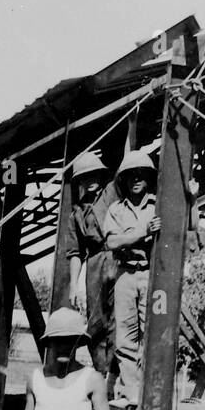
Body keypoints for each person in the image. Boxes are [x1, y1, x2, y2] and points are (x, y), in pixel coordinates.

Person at [103, 151, 159, 407]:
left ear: (148, 178)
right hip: (125, 274)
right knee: (125, 337)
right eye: (130, 176)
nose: (136, 180)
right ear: (124, 181)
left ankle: (149, 391)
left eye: (141, 175)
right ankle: (129, 393)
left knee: (152, 333)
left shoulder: (159, 205)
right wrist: (141, 234)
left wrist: (192, 200)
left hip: (150, 275)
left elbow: (188, 227)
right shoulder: (116, 210)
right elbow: (112, 241)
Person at [62, 151, 119, 376]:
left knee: (118, 319)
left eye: (95, 175)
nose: (92, 180)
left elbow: (125, 163)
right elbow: (75, 252)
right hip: (95, 264)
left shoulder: (112, 193)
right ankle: (100, 373)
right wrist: (74, 286)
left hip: (117, 256)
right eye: (86, 177)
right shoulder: (76, 213)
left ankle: (115, 378)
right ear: (80, 181)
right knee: (96, 322)